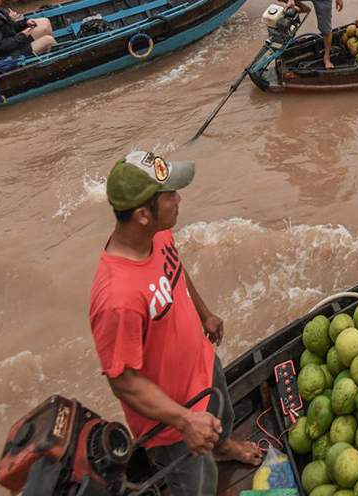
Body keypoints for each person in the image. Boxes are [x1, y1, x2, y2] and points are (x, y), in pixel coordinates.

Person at [89, 151, 263, 496]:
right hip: (174, 420)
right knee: (197, 482)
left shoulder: (157, 234)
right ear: (142, 214)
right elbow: (122, 381)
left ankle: (224, 447)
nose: (179, 200)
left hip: (202, 369)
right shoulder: (116, 298)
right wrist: (186, 421)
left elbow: (175, 271)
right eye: (170, 195)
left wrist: (204, 314)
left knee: (223, 417)